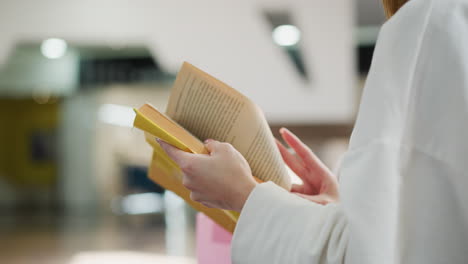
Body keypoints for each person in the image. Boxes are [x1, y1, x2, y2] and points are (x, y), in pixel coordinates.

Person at [158, 0, 468, 262]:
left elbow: (371, 253)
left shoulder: (430, 22)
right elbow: (427, 227)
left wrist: (244, 195)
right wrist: (339, 209)